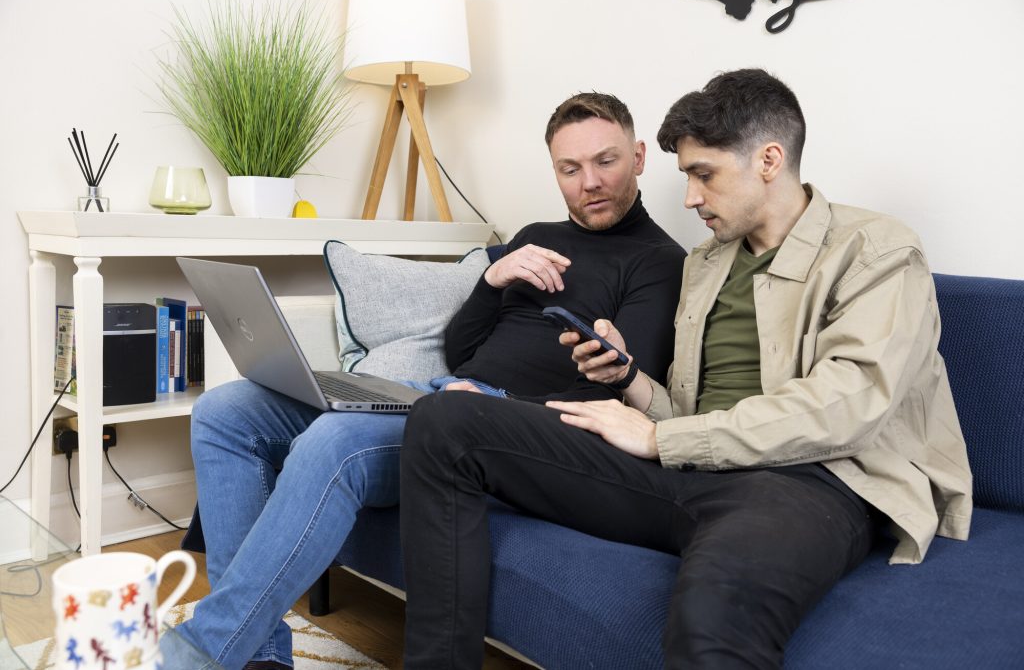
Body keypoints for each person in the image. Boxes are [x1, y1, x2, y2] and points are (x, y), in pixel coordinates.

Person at [399, 68, 973, 669]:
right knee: (447, 421)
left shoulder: (876, 251)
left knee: (710, 626)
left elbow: (846, 407)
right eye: (687, 177)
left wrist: (660, 437)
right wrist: (628, 383)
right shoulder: (705, 263)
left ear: (770, 160)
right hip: (686, 462)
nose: (691, 197)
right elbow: (686, 406)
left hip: (806, 482)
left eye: (705, 175)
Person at [169, 92, 685, 670]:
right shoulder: (536, 236)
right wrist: (492, 278)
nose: (589, 181)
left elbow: (613, 388)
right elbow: (461, 350)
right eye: (570, 168)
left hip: (497, 435)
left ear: (639, 157)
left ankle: (204, 651)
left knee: (332, 443)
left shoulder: (661, 261)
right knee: (225, 412)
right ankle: (259, 655)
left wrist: (494, 414)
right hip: (438, 399)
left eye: (605, 161)